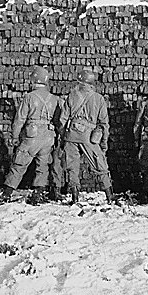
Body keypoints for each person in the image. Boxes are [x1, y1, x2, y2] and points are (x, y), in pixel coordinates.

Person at [0, 66, 61, 205]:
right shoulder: (54, 99)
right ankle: (38, 193)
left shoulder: (29, 97)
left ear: (34, 80)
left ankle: (7, 193)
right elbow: (58, 120)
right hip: (48, 136)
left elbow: (20, 119)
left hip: (32, 135)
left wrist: (14, 136)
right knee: (43, 166)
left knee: (19, 163)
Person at [61, 69, 113, 204]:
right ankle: (109, 196)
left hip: (71, 136)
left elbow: (62, 119)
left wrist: (63, 137)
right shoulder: (98, 98)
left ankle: (75, 197)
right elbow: (104, 124)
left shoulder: (72, 96)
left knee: (72, 167)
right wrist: (104, 144)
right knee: (100, 165)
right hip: (89, 137)